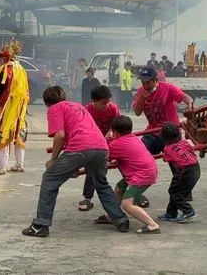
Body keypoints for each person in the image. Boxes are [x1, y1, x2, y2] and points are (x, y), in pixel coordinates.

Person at [22, 86, 129, 237]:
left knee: (49, 179)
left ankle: (41, 224)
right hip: (101, 147)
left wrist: (53, 159)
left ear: (47, 103)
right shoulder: (77, 106)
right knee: (102, 184)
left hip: (80, 148)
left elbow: (60, 135)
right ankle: (120, 219)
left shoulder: (54, 108)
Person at [133, 66, 194, 201]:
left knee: (177, 164)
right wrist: (142, 98)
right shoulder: (140, 92)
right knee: (139, 157)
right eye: (143, 82)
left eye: (148, 82)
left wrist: (190, 106)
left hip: (170, 132)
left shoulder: (167, 88)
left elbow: (187, 98)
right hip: (152, 132)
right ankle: (136, 192)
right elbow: (137, 112)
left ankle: (183, 192)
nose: (145, 85)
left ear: (155, 80)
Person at [96, 115, 160, 234]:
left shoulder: (117, 144)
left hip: (141, 175)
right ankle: (111, 214)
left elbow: (104, 157)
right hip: (144, 171)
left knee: (127, 204)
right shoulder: (133, 137)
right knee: (119, 189)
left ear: (115, 131)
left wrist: (106, 139)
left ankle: (152, 225)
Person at [0, 40, 29, 175]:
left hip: (7, 108)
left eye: (1, 58)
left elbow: (1, 89)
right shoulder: (21, 69)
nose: (0, 60)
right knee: (18, 134)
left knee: (3, 135)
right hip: (19, 110)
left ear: (6, 57)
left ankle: (1, 166)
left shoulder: (6, 69)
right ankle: (19, 164)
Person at [79, 85, 120, 211]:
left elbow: (118, 125)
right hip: (93, 144)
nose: (106, 105)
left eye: (108, 102)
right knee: (92, 170)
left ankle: (136, 193)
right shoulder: (86, 111)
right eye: (103, 103)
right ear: (94, 101)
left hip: (110, 142)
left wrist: (112, 134)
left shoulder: (113, 108)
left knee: (126, 165)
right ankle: (88, 197)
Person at [158, 123, 200, 223]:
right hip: (195, 168)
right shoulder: (184, 142)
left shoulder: (167, 149)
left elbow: (165, 159)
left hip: (185, 171)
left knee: (175, 193)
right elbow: (192, 152)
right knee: (175, 190)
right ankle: (171, 213)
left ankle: (189, 211)